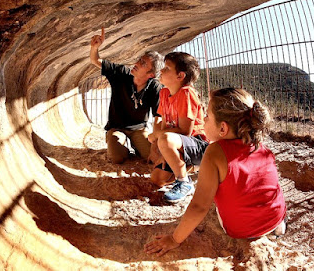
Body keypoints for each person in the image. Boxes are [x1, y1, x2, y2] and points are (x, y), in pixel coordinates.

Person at [144, 88, 287, 256]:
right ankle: (277, 227)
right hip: (275, 219)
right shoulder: (263, 149)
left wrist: (174, 239)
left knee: (211, 197)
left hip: (240, 230)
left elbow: (199, 206)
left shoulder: (215, 152)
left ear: (223, 129)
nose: (203, 120)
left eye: (207, 117)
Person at [90, 28, 164, 164]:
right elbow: (95, 60)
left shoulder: (155, 87)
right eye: (139, 60)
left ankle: (136, 145)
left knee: (152, 157)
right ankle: (123, 146)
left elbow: (158, 117)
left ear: (151, 74)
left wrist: (154, 143)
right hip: (116, 128)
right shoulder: (121, 73)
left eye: (143, 64)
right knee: (116, 158)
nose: (136, 64)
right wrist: (95, 47)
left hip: (139, 129)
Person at [148, 52, 208, 203]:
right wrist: (159, 149)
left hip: (197, 144)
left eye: (167, 68)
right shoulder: (164, 93)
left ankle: (184, 182)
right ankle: (189, 168)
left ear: (180, 76)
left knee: (165, 138)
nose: (161, 71)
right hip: (178, 144)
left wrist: (157, 138)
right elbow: (163, 125)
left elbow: (185, 131)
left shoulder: (186, 93)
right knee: (157, 179)